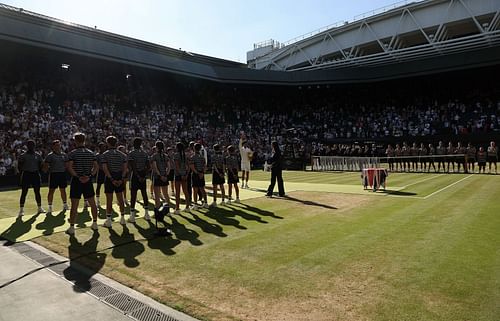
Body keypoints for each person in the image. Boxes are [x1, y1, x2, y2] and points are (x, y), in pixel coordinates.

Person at [65, 132, 99, 235]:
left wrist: (78, 176)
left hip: (77, 181)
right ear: (84, 140)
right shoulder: (91, 153)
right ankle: (95, 223)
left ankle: (72, 228)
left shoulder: (73, 153)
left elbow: (69, 167)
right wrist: (89, 176)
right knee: (92, 203)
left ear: (75, 141)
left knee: (74, 205)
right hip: (88, 180)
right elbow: (96, 167)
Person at [102, 136, 128, 227]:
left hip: (110, 178)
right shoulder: (123, 155)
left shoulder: (105, 154)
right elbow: (125, 169)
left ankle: (108, 221)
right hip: (119, 176)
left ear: (108, 143)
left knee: (109, 199)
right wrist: (121, 179)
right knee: (120, 198)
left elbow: (105, 168)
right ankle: (123, 218)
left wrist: (111, 179)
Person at [18, 139, 45, 216]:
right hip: (26, 174)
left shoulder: (38, 155)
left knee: (37, 192)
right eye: (29, 145)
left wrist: (39, 171)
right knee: (24, 192)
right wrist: (22, 172)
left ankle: (39, 208)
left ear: (34, 146)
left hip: (35, 174)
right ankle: (21, 210)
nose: (31, 147)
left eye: (32, 145)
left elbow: (41, 165)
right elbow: (19, 165)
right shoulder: (23, 156)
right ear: (27, 146)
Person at [128, 137, 151, 222]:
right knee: (144, 194)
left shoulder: (132, 153)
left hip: (135, 175)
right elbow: (149, 167)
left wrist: (138, 176)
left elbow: (132, 167)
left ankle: (132, 216)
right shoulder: (145, 154)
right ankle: (147, 214)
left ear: (134, 144)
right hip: (143, 175)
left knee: (133, 195)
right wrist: (144, 176)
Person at [43, 140, 68, 214]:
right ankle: (50, 206)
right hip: (54, 175)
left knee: (63, 190)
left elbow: (67, 165)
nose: (58, 146)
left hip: (62, 174)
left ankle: (65, 204)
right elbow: (46, 166)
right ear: (53, 146)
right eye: (56, 145)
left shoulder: (64, 155)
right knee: (51, 191)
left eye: (59, 145)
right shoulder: (50, 156)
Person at [151, 140, 172, 217]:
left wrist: (160, 176)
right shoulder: (166, 156)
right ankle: (168, 211)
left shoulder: (154, 156)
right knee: (166, 194)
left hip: (157, 177)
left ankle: (157, 212)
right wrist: (165, 175)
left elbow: (155, 167)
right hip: (164, 176)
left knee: (157, 195)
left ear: (156, 147)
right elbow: (169, 167)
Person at [173, 142, 191, 214]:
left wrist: (181, 174)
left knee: (177, 192)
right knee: (185, 191)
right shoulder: (186, 155)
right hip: (185, 174)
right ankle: (187, 207)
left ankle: (177, 208)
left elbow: (177, 166)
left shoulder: (176, 155)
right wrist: (186, 174)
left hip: (178, 175)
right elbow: (188, 166)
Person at [190, 143, 208, 209]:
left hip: (195, 174)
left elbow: (192, 166)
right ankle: (206, 203)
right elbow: (205, 166)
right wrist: (202, 173)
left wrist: (197, 173)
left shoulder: (193, 157)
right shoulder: (202, 157)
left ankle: (195, 204)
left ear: (194, 148)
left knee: (195, 189)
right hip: (201, 174)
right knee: (202, 189)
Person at [95, 142, 107, 208]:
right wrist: (102, 168)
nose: (104, 148)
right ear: (99, 148)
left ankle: (107, 199)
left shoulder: (106, 154)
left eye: (104, 147)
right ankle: (97, 201)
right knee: (98, 186)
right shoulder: (97, 155)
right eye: (102, 147)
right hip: (100, 172)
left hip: (106, 172)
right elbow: (97, 164)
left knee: (107, 186)